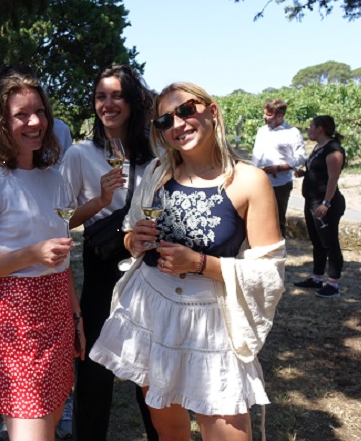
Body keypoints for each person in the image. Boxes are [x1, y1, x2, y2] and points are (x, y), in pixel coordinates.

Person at [90, 82, 286, 441]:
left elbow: (269, 273)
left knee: (228, 434)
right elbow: (131, 233)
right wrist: (133, 240)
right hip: (154, 312)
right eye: (165, 120)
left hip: (211, 320)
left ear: (211, 110)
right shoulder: (156, 173)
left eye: (186, 110)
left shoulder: (249, 181)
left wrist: (199, 263)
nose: (178, 123)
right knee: (169, 432)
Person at [0, 72, 81, 441]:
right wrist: (32, 253)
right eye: (22, 114)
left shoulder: (54, 178)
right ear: (1, 122)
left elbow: (63, 260)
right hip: (18, 324)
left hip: (58, 313)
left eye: (40, 112)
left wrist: (76, 316)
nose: (36, 122)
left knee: (51, 428)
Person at [59, 64, 158, 441]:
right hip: (103, 267)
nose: (108, 103)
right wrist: (99, 199)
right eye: (101, 96)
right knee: (96, 366)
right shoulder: (81, 155)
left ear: (133, 101)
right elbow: (61, 219)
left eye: (117, 95)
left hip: (149, 267)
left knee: (149, 369)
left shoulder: (156, 153)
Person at [293, 115, 346, 298]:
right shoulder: (319, 147)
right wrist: (304, 173)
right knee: (317, 242)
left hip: (325, 204)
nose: (308, 130)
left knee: (329, 243)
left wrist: (326, 203)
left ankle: (333, 283)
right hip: (312, 201)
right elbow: (319, 171)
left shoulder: (334, 150)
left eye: (311, 126)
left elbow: (333, 178)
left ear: (320, 128)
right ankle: (317, 278)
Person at [251, 98, 306, 238]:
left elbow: (301, 158)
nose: (264, 117)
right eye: (264, 113)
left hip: (280, 184)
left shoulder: (292, 133)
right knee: (259, 220)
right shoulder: (261, 131)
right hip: (260, 183)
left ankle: (278, 254)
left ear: (280, 116)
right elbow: (256, 156)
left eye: (268, 115)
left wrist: (280, 168)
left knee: (278, 221)